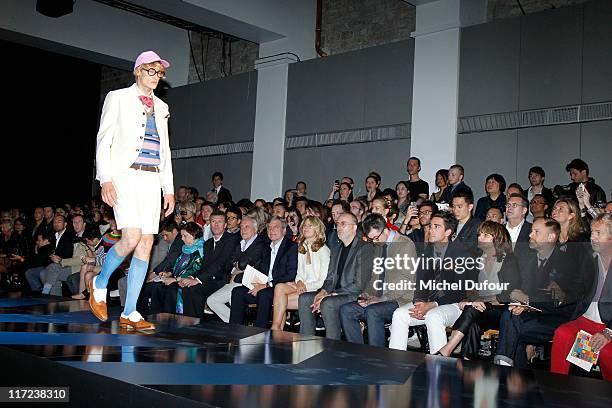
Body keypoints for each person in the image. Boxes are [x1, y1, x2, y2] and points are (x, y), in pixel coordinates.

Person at [88, 50, 175, 331]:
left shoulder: (161, 107)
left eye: (159, 73)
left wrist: (168, 189)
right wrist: (105, 179)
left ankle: (130, 311)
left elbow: (165, 151)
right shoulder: (118, 97)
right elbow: (104, 140)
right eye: (151, 71)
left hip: (151, 180)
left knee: (147, 243)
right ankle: (99, 282)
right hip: (125, 177)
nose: (156, 77)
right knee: (132, 236)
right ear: (138, 71)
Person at [436, 221, 521, 358]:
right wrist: (473, 299)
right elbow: (471, 287)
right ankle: (467, 360)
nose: (480, 238)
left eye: (485, 235)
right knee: (473, 323)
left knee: (472, 309)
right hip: (482, 308)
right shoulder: (477, 259)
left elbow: (510, 293)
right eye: (479, 234)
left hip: (502, 309)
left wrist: (479, 301)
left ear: (497, 238)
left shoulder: (509, 260)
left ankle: (447, 349)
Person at [340, 214, 418, 347]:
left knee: (373, 311)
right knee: (346, 310)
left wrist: (382, 299)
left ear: (385, 229)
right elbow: (374, 277)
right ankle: (356, 352)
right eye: (371, 239)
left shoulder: (405, 245)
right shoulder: (378, 245)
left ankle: (377, 356)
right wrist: (365, 294)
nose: (374, 242)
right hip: (379, 297)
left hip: (401, 299)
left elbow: (405, 282)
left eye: (376, 238)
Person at [550, 213, 612, 380]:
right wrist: (563, 294)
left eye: (598, 233)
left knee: (607, 353)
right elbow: (579, 286)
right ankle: (557, 387)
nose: (593, 237)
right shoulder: (589, 258)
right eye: (592, 232)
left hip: (608, 324)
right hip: (585, 318)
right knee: (562, 333)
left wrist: (609, 332)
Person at [298, 212, 374, 340]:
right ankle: (306, 342)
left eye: (343, 224)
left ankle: (332, 345)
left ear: (355, 227)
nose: (339, 227)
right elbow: (330, 277)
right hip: (335, 293)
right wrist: (323, 291)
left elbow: (359, 284)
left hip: (354, 294)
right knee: (305, 298)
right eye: (337, 224)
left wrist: (333, 294)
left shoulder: (365, 248)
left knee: (328, 302)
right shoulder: (336, 248)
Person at [230, 216, 298, 327]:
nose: (271, 231)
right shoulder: (266, 247)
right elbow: (260, 269)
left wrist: (266, 285)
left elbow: (290, 274)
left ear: (284, 230)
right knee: (237, 291)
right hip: (263, 284)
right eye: (269, 228)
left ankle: (260, 331)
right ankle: (234, 330)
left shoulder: (291, 247)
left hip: (278, 287)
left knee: (264, 294)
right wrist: (253, 281)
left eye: (275, 227)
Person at [271, 216, 330, 330]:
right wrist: (299, 283)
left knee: (279, 303)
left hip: (316, 290)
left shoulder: (323, 250)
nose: (306, 228)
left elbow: (323, 280)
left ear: (317, 229)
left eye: (310, 226)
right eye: (304, 225)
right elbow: (299, 273)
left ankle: (275, 329)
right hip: (303, 286)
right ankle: (276, 329)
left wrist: (304, 286)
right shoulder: (302, 247)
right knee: (279, 288)